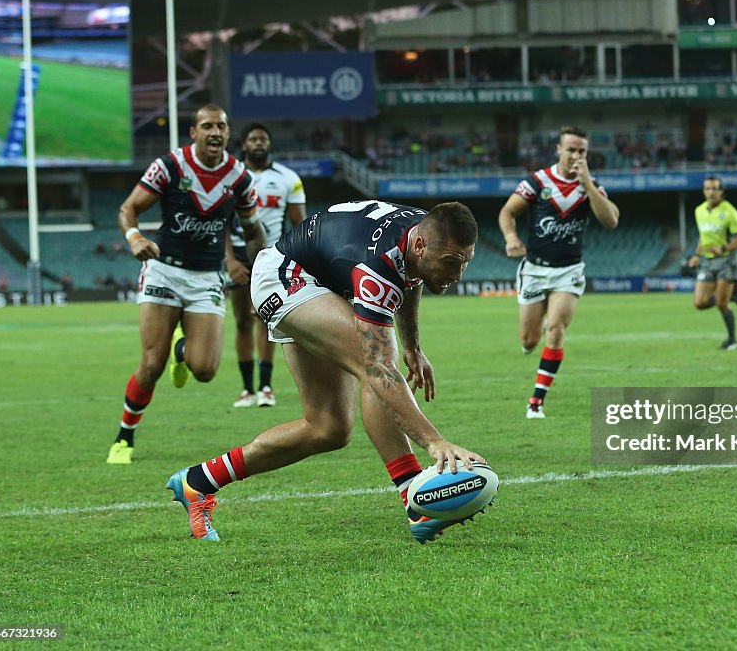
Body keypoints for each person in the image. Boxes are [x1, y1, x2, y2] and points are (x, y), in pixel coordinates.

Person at [165, 200, 488, 544]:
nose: (457, 275)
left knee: (328, 429)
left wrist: (413, 346)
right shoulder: (377, 265)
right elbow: (380, 368)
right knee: (373, 364)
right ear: (421, 244)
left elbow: (411, 275)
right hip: (287, 275)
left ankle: (198, 481)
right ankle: (414, 500)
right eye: (451, 263)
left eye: (465, 263)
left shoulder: (421, 235)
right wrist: (434, 441)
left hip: (322, 279)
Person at [106, 104, 263, 465]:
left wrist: (263, 270)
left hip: (207, 277)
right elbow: (127, 209)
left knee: (205, 371)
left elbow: (253, 230)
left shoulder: (239, 178)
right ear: (193, 132)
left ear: (227, 132)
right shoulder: (170, 167)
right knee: (151, 364)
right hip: (164, 270)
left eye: (221, 126)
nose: (215, 132)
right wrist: (134, 239)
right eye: (207, 126)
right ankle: (124, 438)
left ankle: (183, 349)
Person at [498, 125, 620, 419]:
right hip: (535, 270)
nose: (576, 155)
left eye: (582, 151)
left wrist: (589, 185)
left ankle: (536, 402)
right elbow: (507, 212)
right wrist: (511, 238)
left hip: (569, 271)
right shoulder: (538, 181)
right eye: (571, 150)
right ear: (559, 150)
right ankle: (533, 334)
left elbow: (611, 220)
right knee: (529, 340)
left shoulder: (590, 186)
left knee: (556, 330)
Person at [226, 123, 307, 408]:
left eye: (263, 138)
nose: (258, 143)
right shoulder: (232, 176)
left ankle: (266, 386)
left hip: (272, 256)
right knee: (242, 321)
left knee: (266, 319)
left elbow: (300, 225)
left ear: (269, 144)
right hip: (238, 255)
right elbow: (222, 221)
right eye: (252, 139)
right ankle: (247, 389)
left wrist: (295, 261)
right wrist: (230, 260)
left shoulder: (289, 178)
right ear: (244, 145)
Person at [687, 176, 737, 351]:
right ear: (703, 191)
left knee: (722, 305)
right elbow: (703, 236)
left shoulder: (730, 212)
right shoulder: (699, 211)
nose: (711, 192)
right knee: (700, 303)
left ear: (721, 191)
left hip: (726, 261)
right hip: (707, 261)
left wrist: (722, 249)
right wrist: (696, 255)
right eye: (707, 188)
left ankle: (732, 340)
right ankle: (734, 295)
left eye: (715, 189)